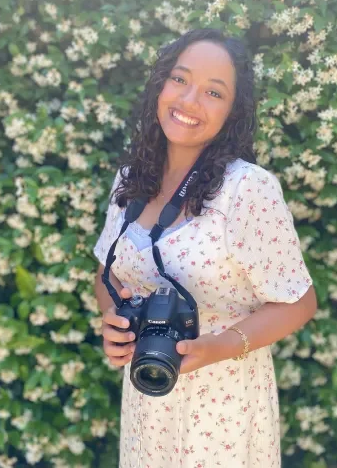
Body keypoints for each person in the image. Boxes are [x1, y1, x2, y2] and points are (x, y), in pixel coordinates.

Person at [94, 28, 317, 468]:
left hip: (225, 406)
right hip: (149, 393)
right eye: (180, 79)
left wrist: (216, 347)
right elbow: (108, 271)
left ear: (232, 111)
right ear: (161, 85)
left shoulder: (247, 189)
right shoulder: (130, 179)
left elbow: (299, 302)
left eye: (214, 92)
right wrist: (116, 322)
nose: (189, 100)